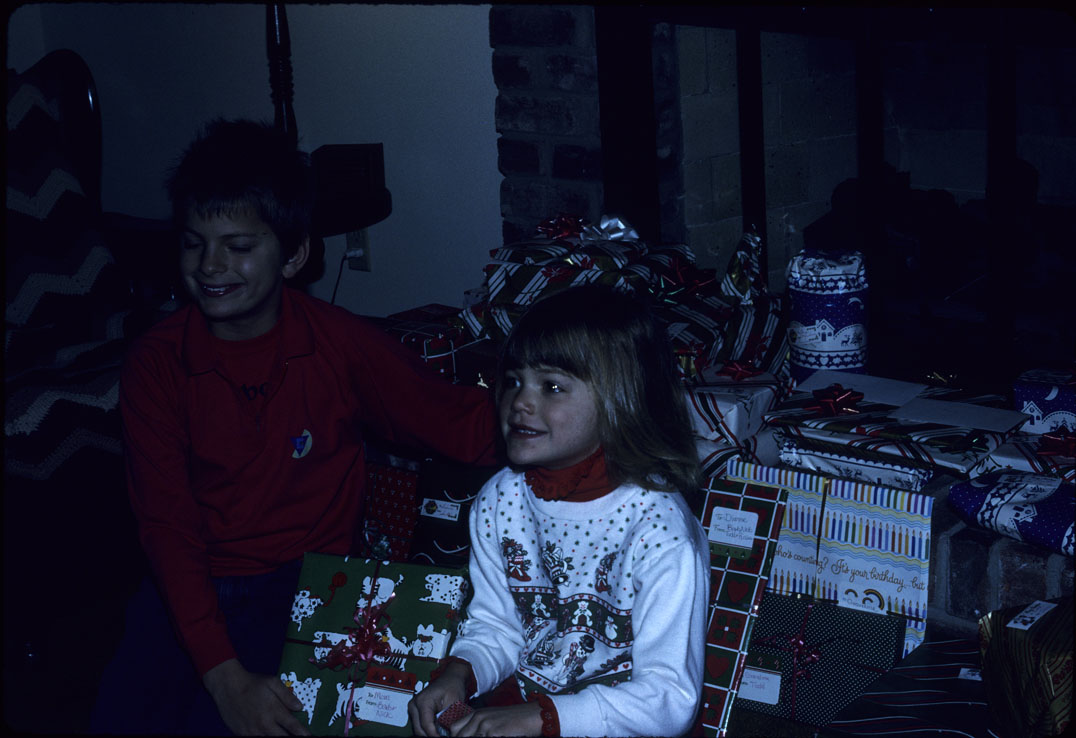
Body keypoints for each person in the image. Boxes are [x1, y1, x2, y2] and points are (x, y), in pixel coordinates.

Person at [91, 118, 497, 735]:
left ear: (294, 255)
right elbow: (166, 528)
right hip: (190, 586)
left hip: (307, 584)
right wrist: (223, 677)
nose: (210, 265)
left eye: (238, 246)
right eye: (194, 244)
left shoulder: (341, 345)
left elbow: (453, 420)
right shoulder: (157, 365)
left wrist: (583, 420)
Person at [408, 284, 710, 737]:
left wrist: (543, 718)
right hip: (524, 704)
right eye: (513, 380)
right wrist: (459, 673)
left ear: (619, 400)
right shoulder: (500, 499)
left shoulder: (661, 532)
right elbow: (497, 626)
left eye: (551, 386)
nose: (520, 402)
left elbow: (669, 700)